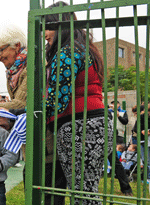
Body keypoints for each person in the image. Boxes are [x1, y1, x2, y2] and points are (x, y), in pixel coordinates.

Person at [44, 2, 113, 204]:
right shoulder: (85, 49)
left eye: (48, 27)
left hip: (80, 129)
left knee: (83, 194)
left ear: (60, 25)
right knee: (88, 191)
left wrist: (32, 112)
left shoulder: (67, 52)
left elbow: (57, 100)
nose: (45, 34)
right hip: (96, 124)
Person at [0, 25, 27, 110]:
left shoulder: (32, 66)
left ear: (17, 46)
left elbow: (19, 105)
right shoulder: (13, 72)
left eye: (1, 50)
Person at [132, 104, 150, 183]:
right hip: (143, 141)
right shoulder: (141, 117)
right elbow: (135, 128)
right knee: (146, 160)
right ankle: (147, 177)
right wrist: (142, 131)